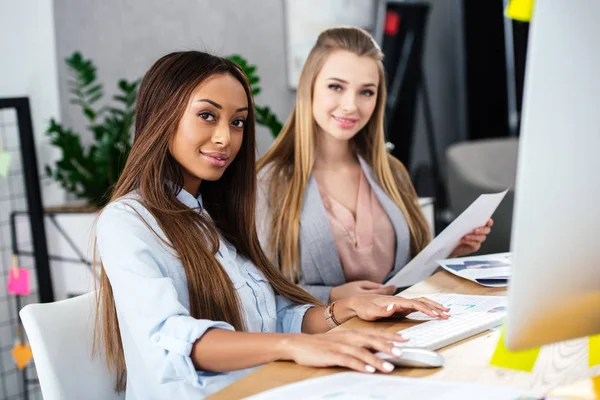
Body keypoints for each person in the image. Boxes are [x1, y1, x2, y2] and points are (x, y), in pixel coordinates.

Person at [94, 51, 449, 399]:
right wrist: (291, 346)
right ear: (161, 116)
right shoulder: (127, 223)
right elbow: (173, 339)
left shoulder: (215, 216)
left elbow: (271, 318)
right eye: (207, 115)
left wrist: (345, 310)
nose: (225, 138)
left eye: (237, 122)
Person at [256, 27, 493, 304]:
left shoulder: (391, 173)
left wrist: (447, 251)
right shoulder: (270, 182)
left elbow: (404, 279)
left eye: (366, 92)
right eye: (336, 87)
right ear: (309, 86)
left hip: (400, 333)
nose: (350, 106)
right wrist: (331, 296)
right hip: (326, 341)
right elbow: (259, 294)